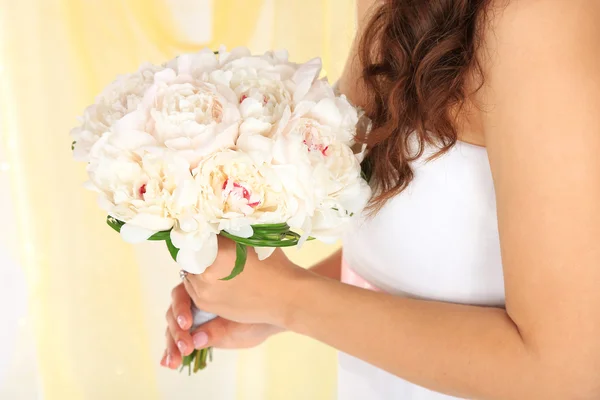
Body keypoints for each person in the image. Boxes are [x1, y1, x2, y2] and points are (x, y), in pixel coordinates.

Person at [160, 0, 600, 398]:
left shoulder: (544, 20)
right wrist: (263, 304)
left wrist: (290, 299)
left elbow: (565, 374)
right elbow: (430, 241)